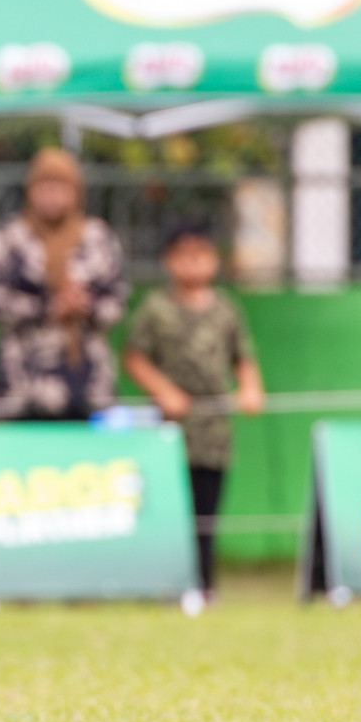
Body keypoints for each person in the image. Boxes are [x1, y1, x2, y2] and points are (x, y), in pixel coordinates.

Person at [123, 224, 264, 602]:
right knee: (169, 506)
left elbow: (244, 358)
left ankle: (205, 585)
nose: (194, 263)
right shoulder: (157, 308)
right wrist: (164, 391)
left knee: (207, 510)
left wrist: (251, 389)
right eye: (184, 255)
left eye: (202, 254)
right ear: (169, 262)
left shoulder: (225, 309)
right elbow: (135, 358)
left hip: (214, 426)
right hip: (170, 427)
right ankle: (167, 582)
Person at [0, 147, 127, 420]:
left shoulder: (98, 238)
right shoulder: (7, 237)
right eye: (44, 185)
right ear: (30, 189)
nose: (52, 194)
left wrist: (86, 307)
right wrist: (49, 307)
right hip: (22, 385)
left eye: (61, 185)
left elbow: (118, 300)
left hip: (89, 385)